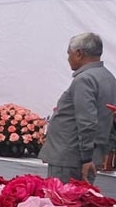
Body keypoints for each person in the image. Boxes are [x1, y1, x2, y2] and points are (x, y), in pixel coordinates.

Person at [39, 32, 116, 183]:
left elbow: (87, 120)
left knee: (61, 196)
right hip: (86, 156)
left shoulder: (85, 79)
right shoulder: (109, 78)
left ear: (79, 53)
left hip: (70, 158)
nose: (68, 58)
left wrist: (86, 157)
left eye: (69, 53)